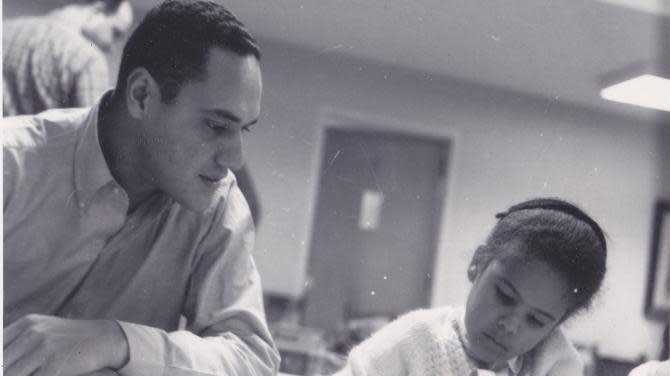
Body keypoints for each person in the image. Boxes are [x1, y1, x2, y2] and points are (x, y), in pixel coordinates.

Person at [3, 0, 279, 375]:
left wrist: (116, 340)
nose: (235, 159)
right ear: (141, 96)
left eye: (243, 129)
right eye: (216, 126)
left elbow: (253, 361)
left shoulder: (218, 204)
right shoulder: (11, 162)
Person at [335, 197, 608, 376]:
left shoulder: (556, 364)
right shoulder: (414, 340)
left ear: (558, 323)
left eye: (536, 320)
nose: (511, 325)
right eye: (505, 296)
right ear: (478, 263)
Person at [3, 0, 134, 116]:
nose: (111, 47)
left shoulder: (6, 28)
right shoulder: (89, 60)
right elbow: (91, 135)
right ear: (99, 10)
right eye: (116, 33)